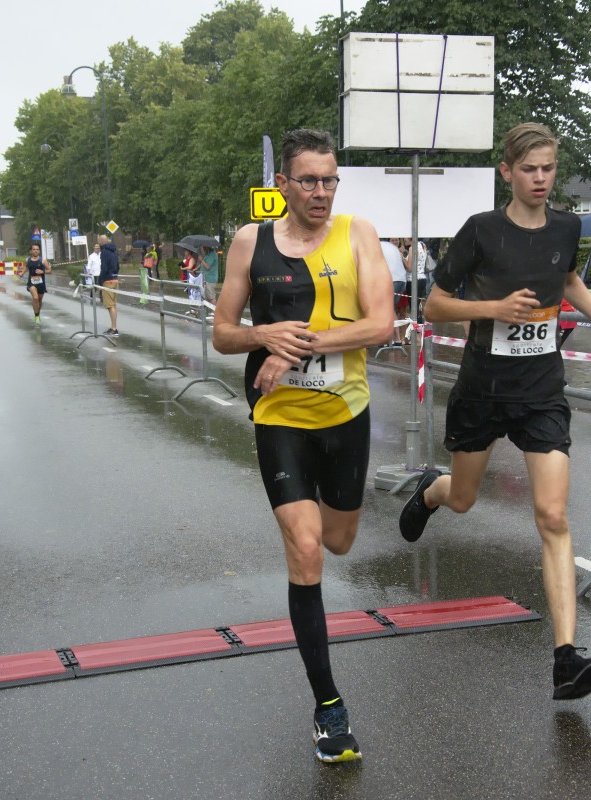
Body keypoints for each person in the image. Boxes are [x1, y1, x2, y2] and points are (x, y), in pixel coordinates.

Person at [213, 128, 394, 763]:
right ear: (283, 184)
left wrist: (298, 345)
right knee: (308, 547)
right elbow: (223, 334)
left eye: (330, 179)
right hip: (279, 416)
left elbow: (381, 323)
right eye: (309, 180)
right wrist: (263, 335)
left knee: (339, 540)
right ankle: (329, 707)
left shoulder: (358, 234)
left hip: (345, 413)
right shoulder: (250, 241)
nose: (321, 191)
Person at [399, 122, 591, 701]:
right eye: (529, 169)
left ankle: (566, 659)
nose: (540, 178)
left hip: (541, 390)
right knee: (464, 498)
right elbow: (434, 305)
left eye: (548, 168)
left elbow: (569, 282)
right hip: (483, 389)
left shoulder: (567, 226)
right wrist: (495, 308)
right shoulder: (480, 230)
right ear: (507, 171)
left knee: (552, 515)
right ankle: (432, 491)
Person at [380, 237, 407, 346]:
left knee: (388, 309)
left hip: (392, 279)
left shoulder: (376, 246)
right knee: (391, 309)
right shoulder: (391, 248)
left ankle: (392, 339)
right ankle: (394, 339)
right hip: (401, 280)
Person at [20, 243, 51, 324]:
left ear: (39, 251)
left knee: (39, 301)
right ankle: (36, 317)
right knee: (35, 298)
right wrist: (22, 272)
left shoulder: (43, 260)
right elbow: (26, 267)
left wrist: (42, 271)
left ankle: (37, 314)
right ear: (31, 251)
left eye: (37, 249)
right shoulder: (28, 260)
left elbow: (49, 271)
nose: (35, 251)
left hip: (41, 283)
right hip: (31, 282)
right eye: (34, 249)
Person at [98, 234, 120, 336]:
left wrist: (100, 282)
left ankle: (114, 329)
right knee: (113, 305)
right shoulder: (114, 251)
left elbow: (104, 268)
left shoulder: (104, 252)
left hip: (108, 281)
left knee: (110, 306)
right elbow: (117, 266)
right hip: (115, 279)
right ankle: (112, 327)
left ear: (101, 242)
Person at [197, 246, 219, 314]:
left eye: (204, 247)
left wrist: (201, 260)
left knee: (211, 296)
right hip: (205, 278)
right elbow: (203, 265)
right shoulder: (207, 254)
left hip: (210, 279)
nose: (203, 249)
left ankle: (214, 313)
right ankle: (203, 312)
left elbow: (207, 266)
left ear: (207, 247)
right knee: (205, 296)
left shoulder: (212, 254)